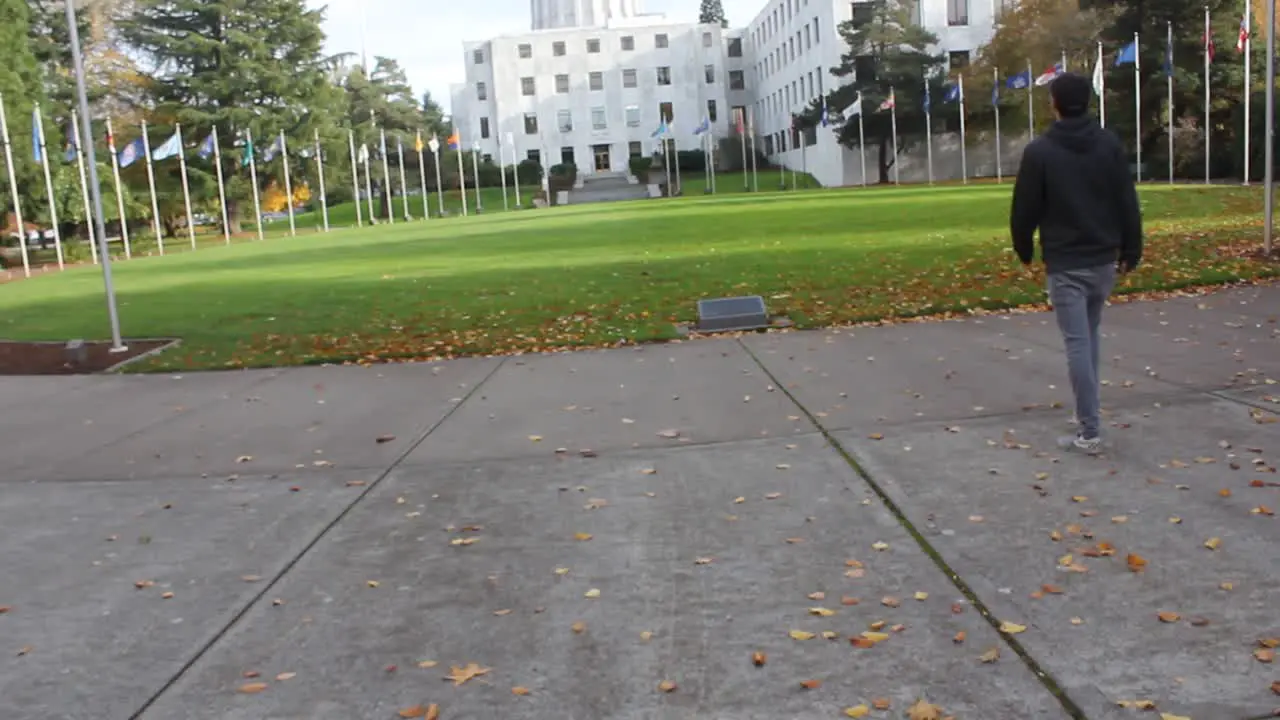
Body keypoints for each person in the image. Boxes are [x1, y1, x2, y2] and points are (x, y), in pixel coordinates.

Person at [1010, 72, 1143, 454]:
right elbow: (1125, 200)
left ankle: (1089, 429)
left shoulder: (1040, 152)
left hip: (1068, 261)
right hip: (1102, 258)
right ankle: (1089, 413)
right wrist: (1131, 247)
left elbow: (1024, 209)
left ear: (1054, 103)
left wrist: (1024, 247)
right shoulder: (1107, 145)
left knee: (1077, 343)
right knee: (1089, 336)